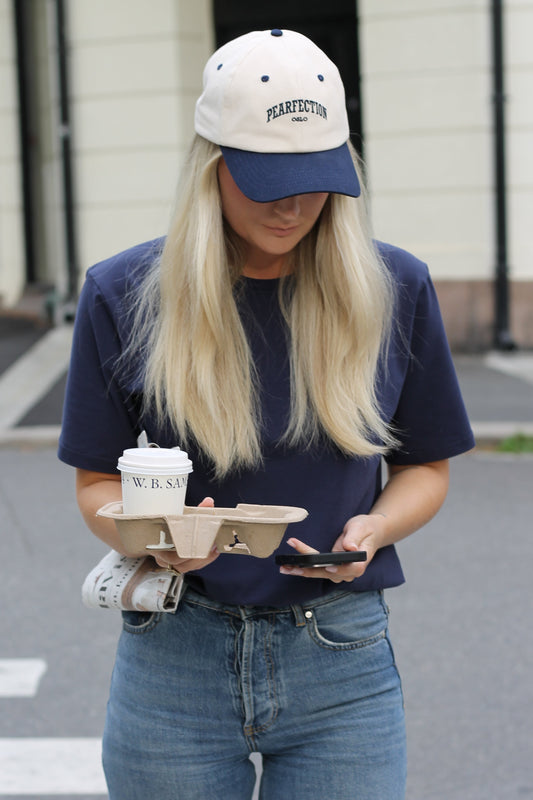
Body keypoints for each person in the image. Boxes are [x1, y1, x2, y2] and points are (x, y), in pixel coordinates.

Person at [58, 29, 475, 800]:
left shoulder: (394, 288)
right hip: (174, 655)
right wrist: (156, 540)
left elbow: (424, 467)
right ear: (211, 166)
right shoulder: (123, 293)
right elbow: (94, 485)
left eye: (314, 180)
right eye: (266, 181)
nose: (292, 206)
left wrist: (375, 529)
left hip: (339, 658)